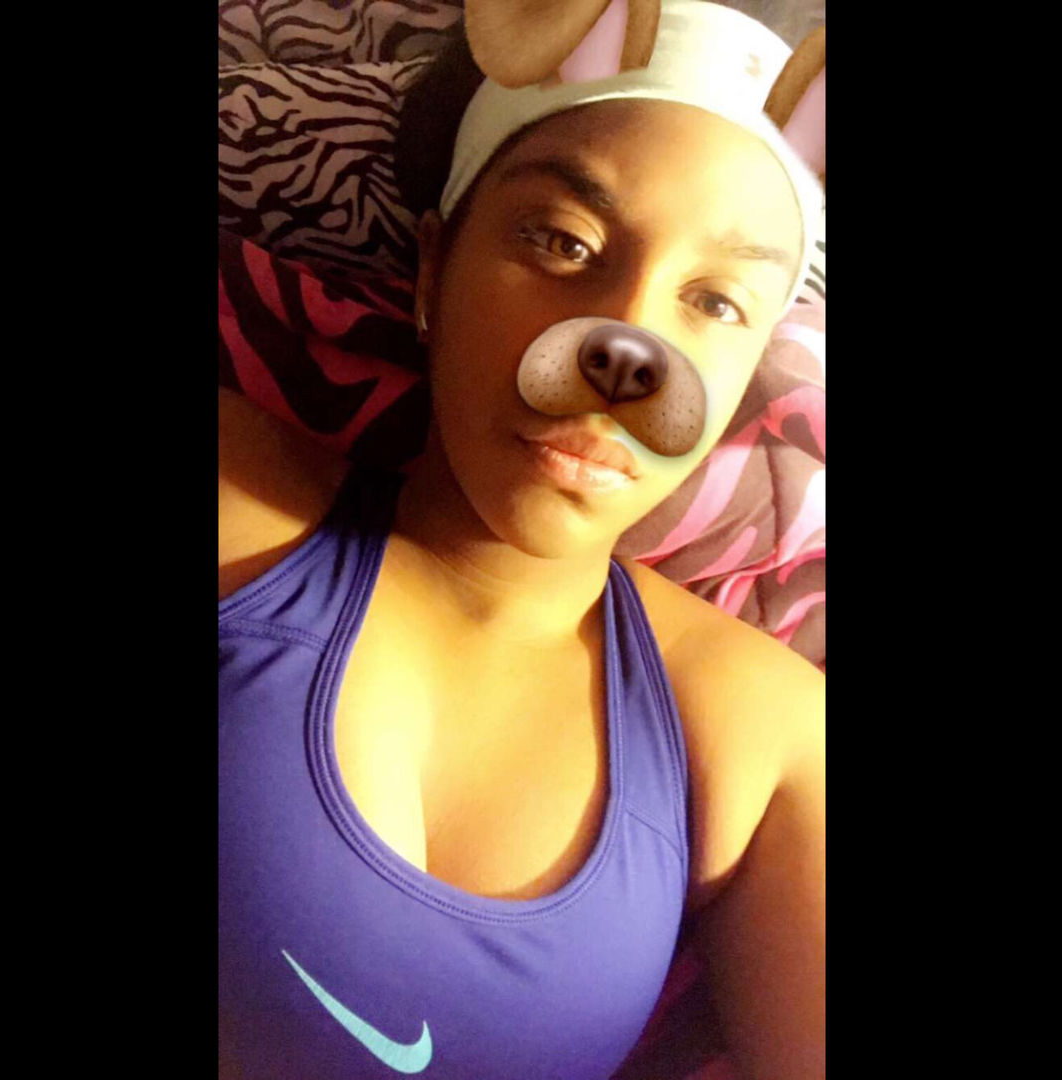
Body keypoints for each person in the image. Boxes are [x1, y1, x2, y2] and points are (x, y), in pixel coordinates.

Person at [219, 4, 824, 1078]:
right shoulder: (240, 517)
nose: (625, 347)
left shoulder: (760, 733)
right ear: (431, 269)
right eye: (562, 241)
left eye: (715, 302)